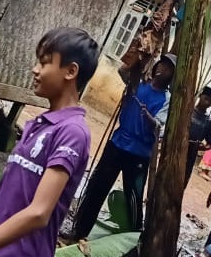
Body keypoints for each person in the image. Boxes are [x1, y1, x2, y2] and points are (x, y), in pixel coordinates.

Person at [0, 28, 98, 257]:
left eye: (45, 63)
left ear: (70, 71)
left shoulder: (73, 133)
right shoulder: (38, 124)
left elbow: (39, 212)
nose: (35, 69)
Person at [70, 54, 177, 238]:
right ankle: (79, 232)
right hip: (118, 143)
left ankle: (133, 241)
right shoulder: (139, 82)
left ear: (171, 76)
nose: (162, 69)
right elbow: (122, 71)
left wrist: (148, 116)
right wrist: (140, 57)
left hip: (140, 152)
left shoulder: (167, 99)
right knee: (97, 188)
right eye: (162, 64)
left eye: (168, 68)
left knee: (133, 198)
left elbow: (159, 126)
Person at [185, 87, 211, 186]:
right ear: (200, 96)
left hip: (190, 156)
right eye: (206, 99)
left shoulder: (209, 122)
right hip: (176, 151)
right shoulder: (187, 111)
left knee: (182, 181)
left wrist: (199, 146)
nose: (207, 103)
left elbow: (209, 144)